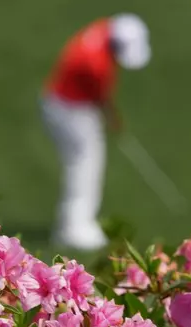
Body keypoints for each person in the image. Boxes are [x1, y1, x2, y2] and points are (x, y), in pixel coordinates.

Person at [42, 13, 151, 251]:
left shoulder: (102, 29)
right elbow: (101, 98)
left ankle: (78, 222)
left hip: (62, 102)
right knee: (84, 165)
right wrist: (113, 119)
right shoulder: (96, 64)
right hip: (71, 111)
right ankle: (74, 228)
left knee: (83, 163)